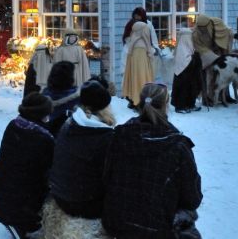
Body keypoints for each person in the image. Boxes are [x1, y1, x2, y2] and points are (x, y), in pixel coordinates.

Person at [102, 83, 203, 238]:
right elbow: (192, 199)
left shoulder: (118, 136)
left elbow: (105, 178)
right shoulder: (178, 146)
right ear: (166, 106)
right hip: (159, 231)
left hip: (117, 224)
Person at [0, 92, 55, 238]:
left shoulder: (13, 125)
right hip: (21, 207)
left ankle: (17, 224)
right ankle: (26, 227)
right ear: (42, 115)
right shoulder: (44, 139)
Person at [48, 79, 115, 219]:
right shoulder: (105, 137)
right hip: (84, 204)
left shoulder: (69, 123)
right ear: (104, 108)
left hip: (59, 195)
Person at [192, 14, 234, 105]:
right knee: (209, 76)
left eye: (204, 28)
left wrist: (232, 35)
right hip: (208, 56)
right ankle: (208, 98)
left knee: (224, 75)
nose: (202, 30)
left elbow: (227, 32)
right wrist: (214, 58)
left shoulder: (217, 23)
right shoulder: (195, 34)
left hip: (220, 51)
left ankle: (225, 96)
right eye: (200, 28)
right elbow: (201, 48)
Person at [41, 61, 80, 137]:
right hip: (69, 138)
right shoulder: (77, 97)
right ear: (70, 77)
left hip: (46, 136)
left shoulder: (43, 96)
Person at [122, 21, 154, 106]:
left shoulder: (133, 41)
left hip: (138, 66)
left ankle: (135, 99)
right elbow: (141, 71)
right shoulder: (140, 45)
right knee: (140, 78)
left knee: (137, 78)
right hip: (141, 69)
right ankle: (140, 99)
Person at [170, 28, 203, 113]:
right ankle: (180, 106)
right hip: (182, 76)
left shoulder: (190, 47)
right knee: (182, 88)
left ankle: (191, 104)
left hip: (191, 75)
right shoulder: (181, 49)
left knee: (192, 87)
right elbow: (184, 61)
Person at [121, 7, 161, 75]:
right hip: (132, 52)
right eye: (136, 15)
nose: (137, 17)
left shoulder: (148, 24)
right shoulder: (130, 24)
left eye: (139, 15)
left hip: (144, 54)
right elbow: (127, 39)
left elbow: (153, 39)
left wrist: (155, 49)